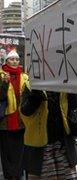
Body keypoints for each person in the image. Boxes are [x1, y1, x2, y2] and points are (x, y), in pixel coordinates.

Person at [20, 90, 77, 179]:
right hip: (41, 148)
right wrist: (35, 96)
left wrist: (72, 90)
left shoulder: (64, 84)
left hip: (63, 145)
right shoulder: (30, 85)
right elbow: (25, 111)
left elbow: (75, 105)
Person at [0, 50, 28, 180]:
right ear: (6, 61)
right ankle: (9, 174)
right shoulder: (1, 76)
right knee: (7, 149)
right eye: (11, 59)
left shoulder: (25, 76)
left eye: (16, 59)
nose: (15, 61)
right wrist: (4, 84)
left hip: (21, 118)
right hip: (5, 119)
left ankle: (17, 172)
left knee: (19, 147)